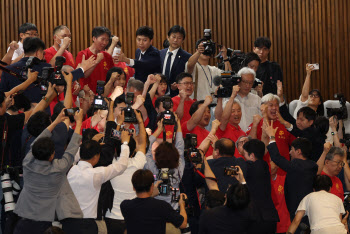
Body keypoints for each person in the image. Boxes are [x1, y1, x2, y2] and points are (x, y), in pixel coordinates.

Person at [13, 108, 83, 234]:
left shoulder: (27, 163)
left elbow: (36, 143)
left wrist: (55, 122)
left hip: (23, 218)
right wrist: (79, 123)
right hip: (44, 221)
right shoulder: (59, 168)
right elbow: (72, 147)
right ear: (52, 155)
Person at [264, 120, 331, 221]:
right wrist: (325, 152)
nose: (290, 152)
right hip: (310, 211)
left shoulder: (296, 165)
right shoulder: (311, 166)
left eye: (292, 149)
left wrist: (272, 136)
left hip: (298, 213)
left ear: (298, 151)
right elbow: (318, 168)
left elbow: (276, 157)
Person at [105, 109, 147, 234]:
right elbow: (143, 143)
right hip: (132, 218)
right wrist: (140, 121)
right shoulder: (137, 163)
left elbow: (110, 142)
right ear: (133, 152)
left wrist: (119, 123)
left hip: (111, 218)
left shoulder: (111, 164)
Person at [120, 169, 188, 234]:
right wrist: (182, 205)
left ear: (133, 187)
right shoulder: (162, 206)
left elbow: (141, 204)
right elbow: (183, 224)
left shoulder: (125, 205)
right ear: (152, 186)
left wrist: (151, 194)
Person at [247, 94, 295, 175]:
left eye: (276, 105)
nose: (274, 108)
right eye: (271, 105)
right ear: (263, 107)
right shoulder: (257, 123)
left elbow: (295, 145)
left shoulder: (284, 124)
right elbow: (250, 146)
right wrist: (255, 125)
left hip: (283, 173)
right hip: (263, 172)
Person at [198, 166, 256, 234]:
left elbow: (212, 185)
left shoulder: (208, 215)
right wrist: (242, 180)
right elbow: (247, 198)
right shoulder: (248, 214)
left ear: (226, 196)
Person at [242, 139, 279, 233]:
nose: (244, 158)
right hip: (270, 217)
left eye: (245, 154)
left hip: (256, 218)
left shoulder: (250, 166)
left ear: (252, 155)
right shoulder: (265, 166)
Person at [76, 26, 114, 92]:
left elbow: (111, 76)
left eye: (107, 40)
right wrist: (97, 61)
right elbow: (83, 75)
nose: (105, 43)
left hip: (103, 94)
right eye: (102, 39)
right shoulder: (83, 54)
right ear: (94, 38)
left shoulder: (107, 56)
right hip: (87, 95)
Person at [160, 25, 191, 97]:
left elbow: (187, 76)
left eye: (179, 38)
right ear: (168, 37)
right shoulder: (160, 53)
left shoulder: (187, 57)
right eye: (173, 37)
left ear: (183, 40)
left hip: (177, 95)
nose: (175, 40)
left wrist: (178, 84)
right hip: (159, 95)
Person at [214, 85, 245, 157]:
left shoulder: (243, 133)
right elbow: (224, 118)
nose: (236, 114)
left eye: (239, 110)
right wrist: (232, 96)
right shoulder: (223, 127)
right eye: (233, 111)